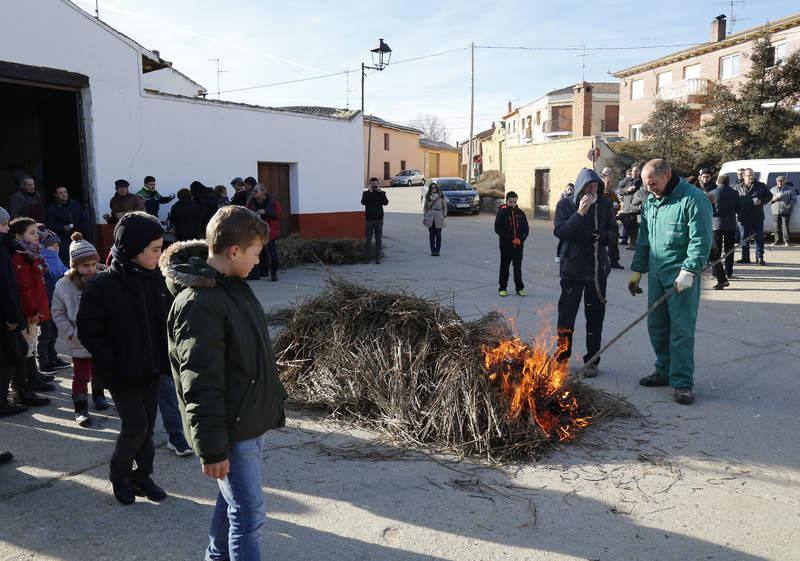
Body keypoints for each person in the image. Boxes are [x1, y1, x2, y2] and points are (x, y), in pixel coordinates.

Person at [163, 205, 287, 561]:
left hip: (247, 418)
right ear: (234, 251)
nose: (259, 261)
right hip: (230, 428)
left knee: (232, 501)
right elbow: (200, 382)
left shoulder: (232, 287)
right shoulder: (199, 303)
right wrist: (212, 448)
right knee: (248, 513)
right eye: (256, 253)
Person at [77, 212, 172, 505]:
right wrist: (114, 361)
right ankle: (119, 475)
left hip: (151, 369)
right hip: (121, 373)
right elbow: (89, 332)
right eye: (155, 249)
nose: (160, 255)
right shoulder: (102, 285)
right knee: (135, 427)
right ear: (133, 249)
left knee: (148, 427)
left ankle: (142, 476)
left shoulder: (156, 279)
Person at [629, 159, 712, 405]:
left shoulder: (693, 200)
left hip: (680, 277)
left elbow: (701, 240)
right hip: (657, 274)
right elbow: (643, 238)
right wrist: (637, 270)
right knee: (657, 326)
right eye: (646, 185)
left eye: (652, 183)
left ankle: (682, 382)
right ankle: (663, 370)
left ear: (666, 175)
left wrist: (690, 270)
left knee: (681, 330)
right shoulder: (651, 202)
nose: (649, 189)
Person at [553, 168, 617, 377]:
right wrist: (580, 213)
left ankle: (592, 360)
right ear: (580, 188)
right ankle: (562, 357)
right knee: (566, 316)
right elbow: (561, 232)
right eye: (588, 187)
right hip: (572, 270)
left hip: (597, 270)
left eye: (595, 186)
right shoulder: (565, 205)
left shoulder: (604, 205)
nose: (592, 191)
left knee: (595, 317)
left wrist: (603, 236)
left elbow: (613, 234)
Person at [51, 233, 109, 427]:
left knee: (100, 369)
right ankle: (80, 407)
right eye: (86, 265)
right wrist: (70, 333)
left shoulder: (103, 279)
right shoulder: (64, 285)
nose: (91, 269)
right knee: (81, 374)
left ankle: (99, 394)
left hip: (101, 336)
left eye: (93, 264)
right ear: (75, 265)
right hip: (79, 338)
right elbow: (58, 312)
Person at [1, 207, 48, 414]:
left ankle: (26, 385)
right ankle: (20, 391)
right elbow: (17, 287)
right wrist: (20, 314)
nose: (6, 229)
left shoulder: (19, 252)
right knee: (17, 352)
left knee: (24, 349)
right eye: (3, 225)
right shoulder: (13, 256)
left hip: (20, 311)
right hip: (15, 313)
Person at [9, 217, 56, 395]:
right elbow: (24, 288)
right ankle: (28, 381)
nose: (37, 236)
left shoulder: (32, 253)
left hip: (38, 304)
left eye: (36, 232)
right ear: (18, 236)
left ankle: (34, 375)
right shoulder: (20, 257)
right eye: (32, 233)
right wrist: (32, 311)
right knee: (28, 344)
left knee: (33, 341)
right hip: (30, 310)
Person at [38, 227, 71, 374]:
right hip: (45, 302)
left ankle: (53, 358)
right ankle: (43, 362)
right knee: (45, 333)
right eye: (52, 245)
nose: (56, 248)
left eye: (57, 245)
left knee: (54, 332)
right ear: (42, 247)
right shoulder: (41, 261)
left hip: (56, 302)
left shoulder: (57, 259)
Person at [494, 191, 529, 297]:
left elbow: (526, 229)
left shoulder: (520, 213)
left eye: (514, 202)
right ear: (507, 201)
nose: (512, 204)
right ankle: (502, 288)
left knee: (517, 268)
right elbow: (498, 229)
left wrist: (520, 239)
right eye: (510, 202)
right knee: (504, 267)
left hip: (518, 246)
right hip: (506, 246)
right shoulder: (502, 212)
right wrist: (510, 239)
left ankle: (519, 288)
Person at [734, 168, 771, 266]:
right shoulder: (737, 188)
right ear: (743, 176)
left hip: (757, 216)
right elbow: (733, 202)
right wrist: (737, 211)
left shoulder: (761, 186)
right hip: (743, 217)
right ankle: (745, 257)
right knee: (744, 238)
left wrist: (761, 201)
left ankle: (760, 257)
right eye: (749, 175)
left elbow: (769, 196)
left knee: (759, 238)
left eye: (752, 175)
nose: (751, 177)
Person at [45, 186, 90, 263]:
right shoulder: (51, 209)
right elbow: (49, 225)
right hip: (62, 240)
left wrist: (83, 232)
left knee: (80, 258)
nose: (64, 194)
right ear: (55, 195)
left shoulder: (76, 204)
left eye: (65, 192)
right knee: (66, 260)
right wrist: (62, 228)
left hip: (77, 237)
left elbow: (84, 219)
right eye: (60, 193)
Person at [247, 184, 282, 280]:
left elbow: (278, 215)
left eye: (256, 191)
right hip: (256, 230)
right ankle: (256, 273)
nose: (254, 193)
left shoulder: (272, 201)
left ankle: (274, 274)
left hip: (269, 230)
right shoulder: (252, 202)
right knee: (255, 252)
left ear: (263, 192)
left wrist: (265, 212)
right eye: (254, 191)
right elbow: (247, 213)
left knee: (272, 252)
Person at [709, 175, 738, 285]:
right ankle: (729, 272)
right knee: (729, 249)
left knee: (716, 250)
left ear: (718, 181)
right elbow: (738, 207)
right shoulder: (734, 193)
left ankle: (715, 272)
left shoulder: (712, 193)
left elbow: (710, 209)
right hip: (731, 224)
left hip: (716, 224)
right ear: (728, 182)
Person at [361, 177, 388, 264]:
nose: (374, 185)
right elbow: (363, 202)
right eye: (372, 184)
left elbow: (386, 203)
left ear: (378, 184)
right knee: (368, 240)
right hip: (369, 220)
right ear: (370, 184)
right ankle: (367, 258)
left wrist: (380, 193)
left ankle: (377, 258)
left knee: (378, 239)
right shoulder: (366, 193)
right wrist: (369, 192)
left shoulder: (381, 193)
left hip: (378, 220)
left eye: (375, 184)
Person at [600, 167, 623, 269]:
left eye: (610, 174)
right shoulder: (599, 193)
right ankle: (600, 261)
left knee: (613, 240)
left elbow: (618, 204)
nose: (608, 182)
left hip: (611, 219)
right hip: (601, 220)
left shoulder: (612, 194)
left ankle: (614, 261)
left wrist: (617, 206)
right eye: (606, 174)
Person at [617, 165, 644, 249]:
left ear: (639, 172)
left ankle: (633, 244)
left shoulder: (642, 181)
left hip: (636, 208)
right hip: (627, 207)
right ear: (631, 172)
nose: (635, 172)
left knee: (635, 227)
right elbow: (620, 191)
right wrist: (627, 190)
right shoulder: (627, 180)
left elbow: (644, 192)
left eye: (636, 171)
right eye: (633, 171)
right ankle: (626, 240)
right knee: (627, 225)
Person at [769, 176, 795, 246]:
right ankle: (777, 241)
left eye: (781, 181)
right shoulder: (772, 189)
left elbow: (793, 199)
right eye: (778, 181)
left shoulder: (790, 189)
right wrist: (774, 199)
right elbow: (768, 200)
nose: (780, 182)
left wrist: (789, 206)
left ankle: (787, 241)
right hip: (775, 210)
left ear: (784, 181)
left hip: (785, 210)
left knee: (785, 226)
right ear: (776, 181)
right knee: (776, 227)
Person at [423, 183, 447, 256]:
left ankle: (437, 251)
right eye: (432, 188)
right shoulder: (427, 196)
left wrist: (444, 214)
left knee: (438, 235)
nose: (433, 189)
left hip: (439, 216)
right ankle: (433, 251)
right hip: (430, 217)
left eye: (434, 187)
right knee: (432, 235)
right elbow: (425, 207)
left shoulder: (441, 196)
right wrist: (425, 215)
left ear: (437, 188)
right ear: (430, 189)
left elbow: (444, 207)